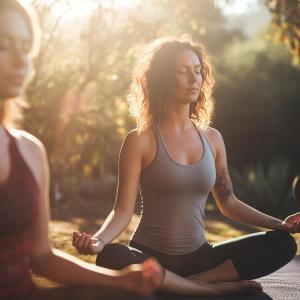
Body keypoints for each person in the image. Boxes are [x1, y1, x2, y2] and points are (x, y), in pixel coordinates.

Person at [72, 36, 299, 296]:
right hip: (150, 258)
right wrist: (99, 240)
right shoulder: (140, 140)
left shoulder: (213, 139)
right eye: (182, 71)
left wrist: (280, 225)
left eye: (198, 71)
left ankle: (191, 285)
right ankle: (198, 289)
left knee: (283, 245)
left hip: (200, 259)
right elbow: (122, 210)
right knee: (110, 256)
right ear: (161, 79)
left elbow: (229, 203)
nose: (194, 79)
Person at [0, 1, 163, 298]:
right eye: (3, 46)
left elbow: (42, 256)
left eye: (25, 47)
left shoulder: (30, 151)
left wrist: (121, 280)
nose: (20, 60)